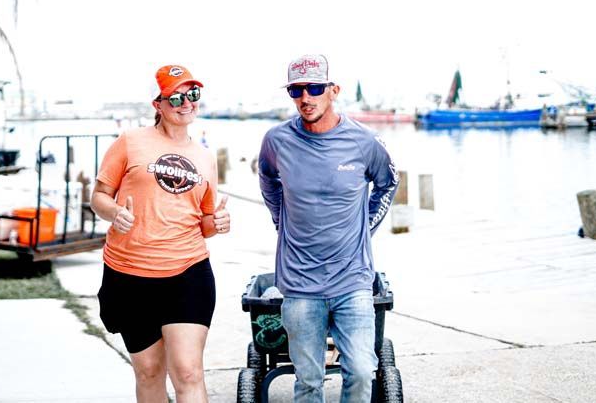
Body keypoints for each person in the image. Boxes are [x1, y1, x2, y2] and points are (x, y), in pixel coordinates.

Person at [258, 54, 399, 402]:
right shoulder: (276, 141)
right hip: (300, 283)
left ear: (333, 90)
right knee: (308, 381)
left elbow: (388, 182)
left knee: (363, 370)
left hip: (352, 279)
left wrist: (365, 226)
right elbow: (267, 178)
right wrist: (280, 219)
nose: (306, 97)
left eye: (315, 88)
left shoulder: (364, 142)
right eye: (296, 90)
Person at [91, 64, 231, 403]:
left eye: (193, 95)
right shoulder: (130, 141)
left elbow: (205, 224)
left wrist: (219, 222)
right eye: (176, 97)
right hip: (129, 275)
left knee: (188, 372)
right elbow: (98, 196)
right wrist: (114, 213)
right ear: (158, 104)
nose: (186, 103)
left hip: (188, 272)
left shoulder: (205, 158)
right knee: (149, 371)